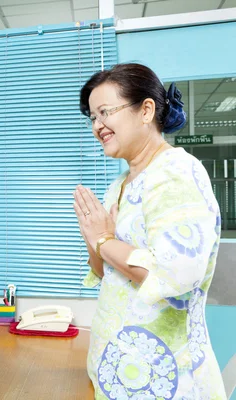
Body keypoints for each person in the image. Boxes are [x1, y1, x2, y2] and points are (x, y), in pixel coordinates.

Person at [74, 63, 226, 399]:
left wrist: (104, 239)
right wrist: (94, 240)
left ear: (146, 110)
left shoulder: (176, 172)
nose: (97, 126)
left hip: (169, 382)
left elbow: (175, 274)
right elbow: (104, 273)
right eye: (93, 118)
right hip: (118, 375)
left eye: (105, 112)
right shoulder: (119, 186)